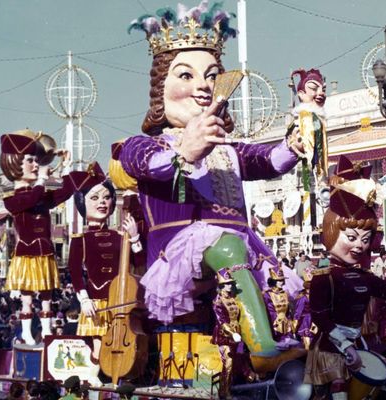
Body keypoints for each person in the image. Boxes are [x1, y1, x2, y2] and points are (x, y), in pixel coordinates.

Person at [121, 1, 304, 326]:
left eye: (211, 76)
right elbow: (146, 165)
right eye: (186, 76)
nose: (203, 86)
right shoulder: (147, 145)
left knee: (284, 286)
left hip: (242, 251)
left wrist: (294, 145)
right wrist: (185, 153)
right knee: (226, 246)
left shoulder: (230, 150)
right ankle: (263, 350)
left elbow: (268, 161)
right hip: (180, 255)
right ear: (161, 87)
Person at [304, 156, 386, 400]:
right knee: (338, 380)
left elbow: (385, 289)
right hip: (330, 347)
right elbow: (320, 316)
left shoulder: (363, 276)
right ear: (331, 232)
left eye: (365, 240)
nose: (359, 246)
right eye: (352, 237)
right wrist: (344, 345)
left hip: (356, 343)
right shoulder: (324, 276)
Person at [0, 130, 102, 345]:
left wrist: (66, 166)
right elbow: (29, 199)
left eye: (36, 161)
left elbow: (65, 192)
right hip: (26, 255)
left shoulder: (41, 195)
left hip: (44, 253)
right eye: (30, 161)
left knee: (46, 299)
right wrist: (42, 181)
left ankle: (46, 330)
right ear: (14, 163)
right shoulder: (12, 199)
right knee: (27, 300)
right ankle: (27, 331)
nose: (35, 165)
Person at [68, 180, 145, 363]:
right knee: (99, 349)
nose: (102, 202)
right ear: (82, 203)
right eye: (94, 198)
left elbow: (140, 264)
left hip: (120, 300)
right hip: (96, 302)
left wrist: (134, 239)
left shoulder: (120, 236)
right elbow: (75, 272)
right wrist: (84, 299)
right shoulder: (80, 239)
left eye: (107, 197)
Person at [211, 268, 256, 399]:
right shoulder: (217, 301)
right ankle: (224, 392)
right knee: (228, 362)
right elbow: (222, 321)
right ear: (221, 285)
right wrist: (232, 333)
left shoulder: (234, 298)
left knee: (240, 359)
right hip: (224, 336)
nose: (230, 286)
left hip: (237, 334)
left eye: (231, 283)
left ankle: (243, 385)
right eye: (227, 284)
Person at [263, 265, 299, 349]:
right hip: (274, 325)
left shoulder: (285, 293)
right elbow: (265, 312)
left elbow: (288, 311)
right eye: (279, 280)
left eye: (282, 280)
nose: (282, 282)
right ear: (273, 281)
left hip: (286, 325)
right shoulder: (267, 295)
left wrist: (290, 323)